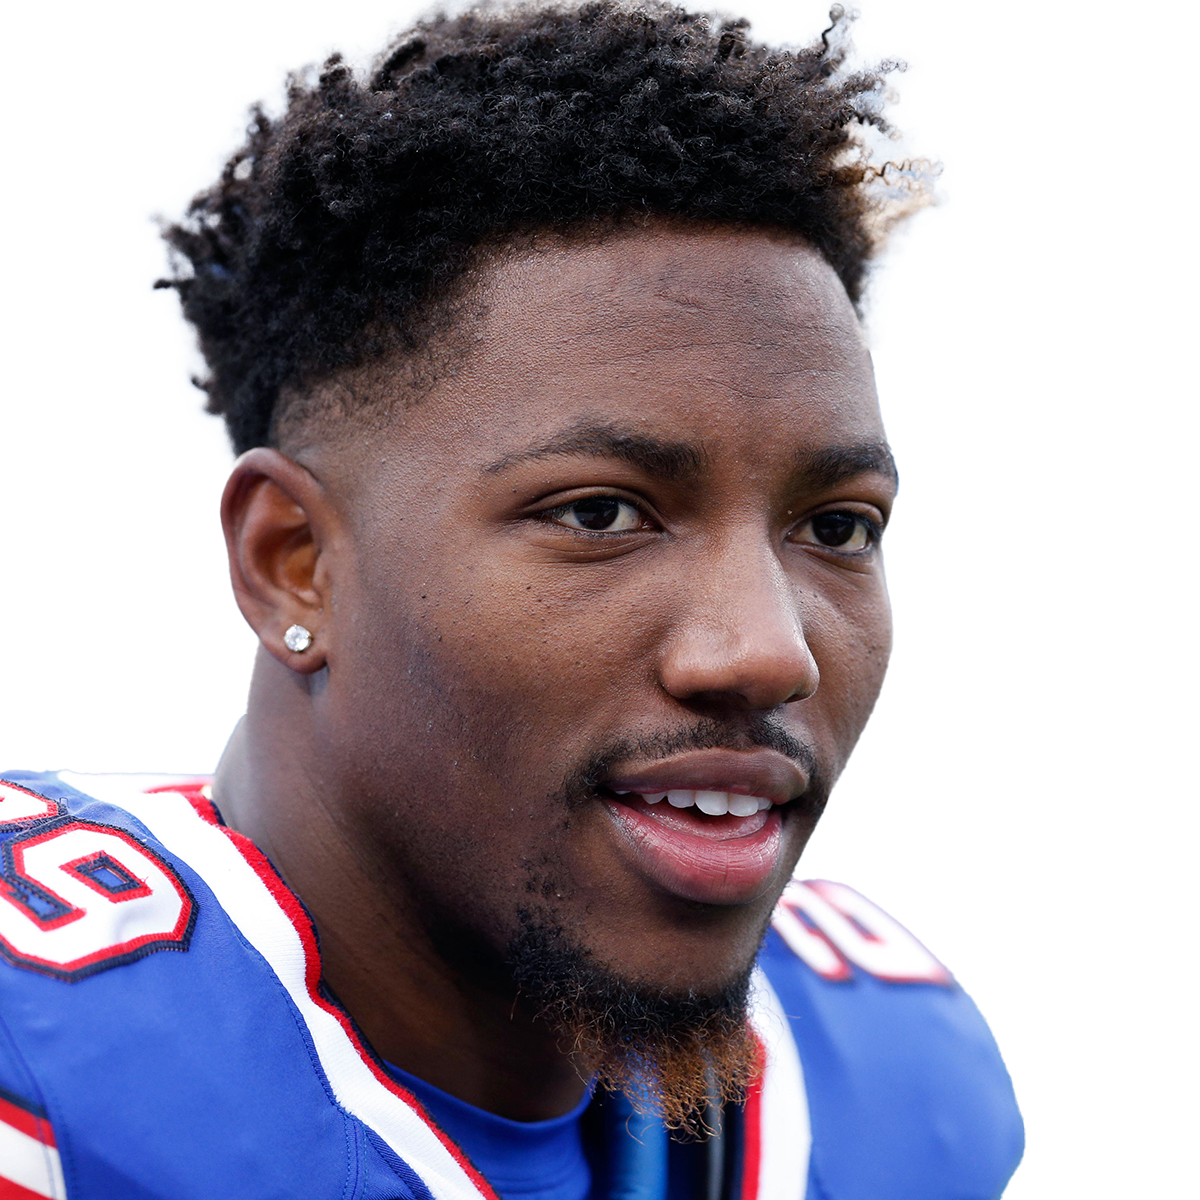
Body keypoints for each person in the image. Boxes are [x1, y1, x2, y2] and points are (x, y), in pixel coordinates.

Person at [0, 1, 1021, 1196]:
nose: (766, 650)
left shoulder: (895, 1085)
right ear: (293, 560)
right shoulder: (45, 1065)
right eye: (599, 514)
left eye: (837, 528)